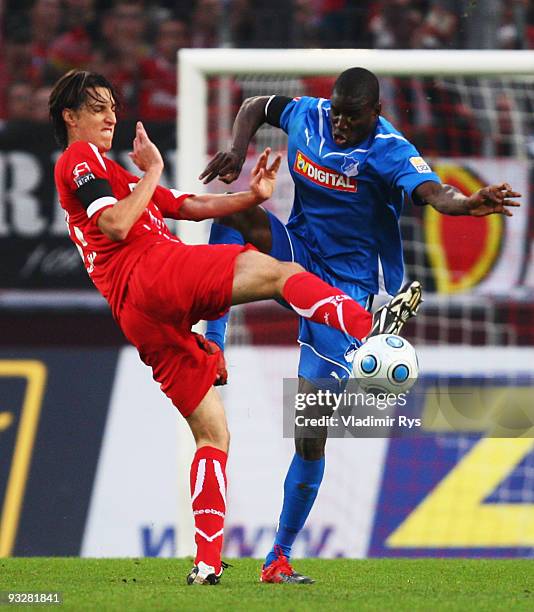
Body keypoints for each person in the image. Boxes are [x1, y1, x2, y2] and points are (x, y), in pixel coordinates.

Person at [48, 69, 421, 585]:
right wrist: (153, 170)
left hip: (138, 314)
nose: (111, 117)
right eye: (97, 108)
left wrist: (252, 195)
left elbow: (189, 206)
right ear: (70, 117)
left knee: (213, 432)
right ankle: (369, 326)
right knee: (283, 275)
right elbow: (114, 224)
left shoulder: (114, 176)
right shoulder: (81, 158)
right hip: (153, 273)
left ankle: (206, 565)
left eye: (113, 106)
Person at [199, 66, 521, 583]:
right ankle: (212, 347)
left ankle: (277, 556)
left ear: (376, 113)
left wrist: (465, 206)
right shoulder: (311, 114)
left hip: (345, 289)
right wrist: (238, 149)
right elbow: (257, 105)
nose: (341, 126)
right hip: (297, 258)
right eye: (338, 114)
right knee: (231, 214)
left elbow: (432, 192)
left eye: (353, 118)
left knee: (309, 430)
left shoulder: (390, 149)